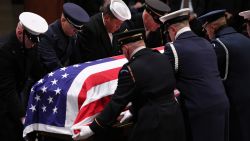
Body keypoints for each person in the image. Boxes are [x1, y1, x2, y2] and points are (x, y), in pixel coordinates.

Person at [70, 28, 186, 141]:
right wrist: (132, 110)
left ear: (125, 49)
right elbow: (152, 90)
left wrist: (92, 128)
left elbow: (117, 102)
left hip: (152, 124)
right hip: (175, 117)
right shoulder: (163, 57)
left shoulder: (130, 69)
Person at [160, 8, 229, 141]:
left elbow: (164, 77)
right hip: (221, 103)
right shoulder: (207, 43)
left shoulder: (173, 48)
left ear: (172, 30)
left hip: (199, 110)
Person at [198, 9, 250, 141]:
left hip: (234, 103)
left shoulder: (219, 45)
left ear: (213, 27)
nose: (206, 32)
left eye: (206, 28)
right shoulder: (244, 38)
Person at [0, 12, 48, 141]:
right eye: (32, 40)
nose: (34, 45)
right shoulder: (4, 51)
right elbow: (8, 90)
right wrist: (22, 117)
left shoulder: (30, 44)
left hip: (15, 97)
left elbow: (37, 70)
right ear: (20, 33)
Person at [70, 0, 131, 64]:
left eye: (121, 24)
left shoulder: (123, 27)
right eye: (116, 24)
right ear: (107, 18)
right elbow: (89, 59)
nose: (119, 27)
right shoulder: (90, 29)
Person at [37, 2, 89, 73]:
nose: (76, 32)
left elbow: (76, 59)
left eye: (78, 30)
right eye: (74, 29)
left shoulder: (71, 34)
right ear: (63, 20)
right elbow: (53, 65)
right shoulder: (47, 35)